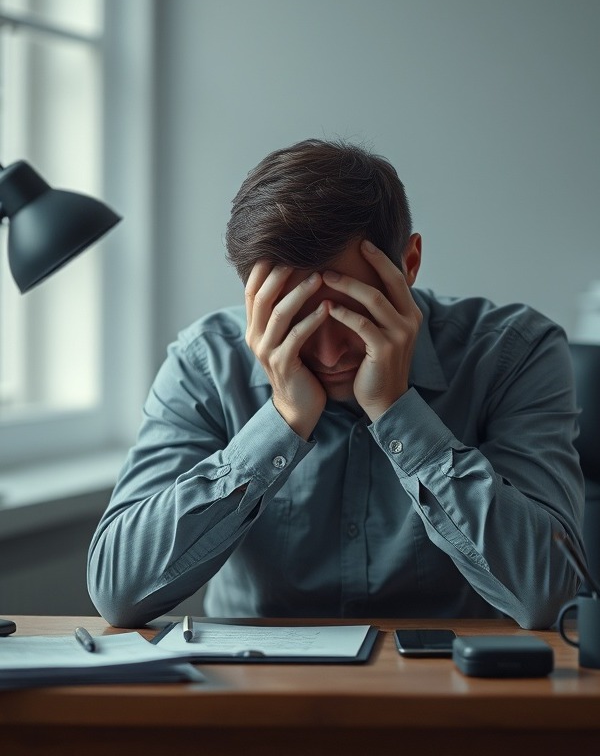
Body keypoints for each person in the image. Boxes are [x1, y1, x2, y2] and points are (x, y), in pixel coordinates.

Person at [88, 139, 585, 629]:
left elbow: (550, 594)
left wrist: (397, 413)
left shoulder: (514, 353)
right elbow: (119, 592)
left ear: (408, 264)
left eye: (354, 311)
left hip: (453, 692)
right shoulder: (205, 362)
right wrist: (281, 420)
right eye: (295, 318)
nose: (329, 354)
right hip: (258, 694)